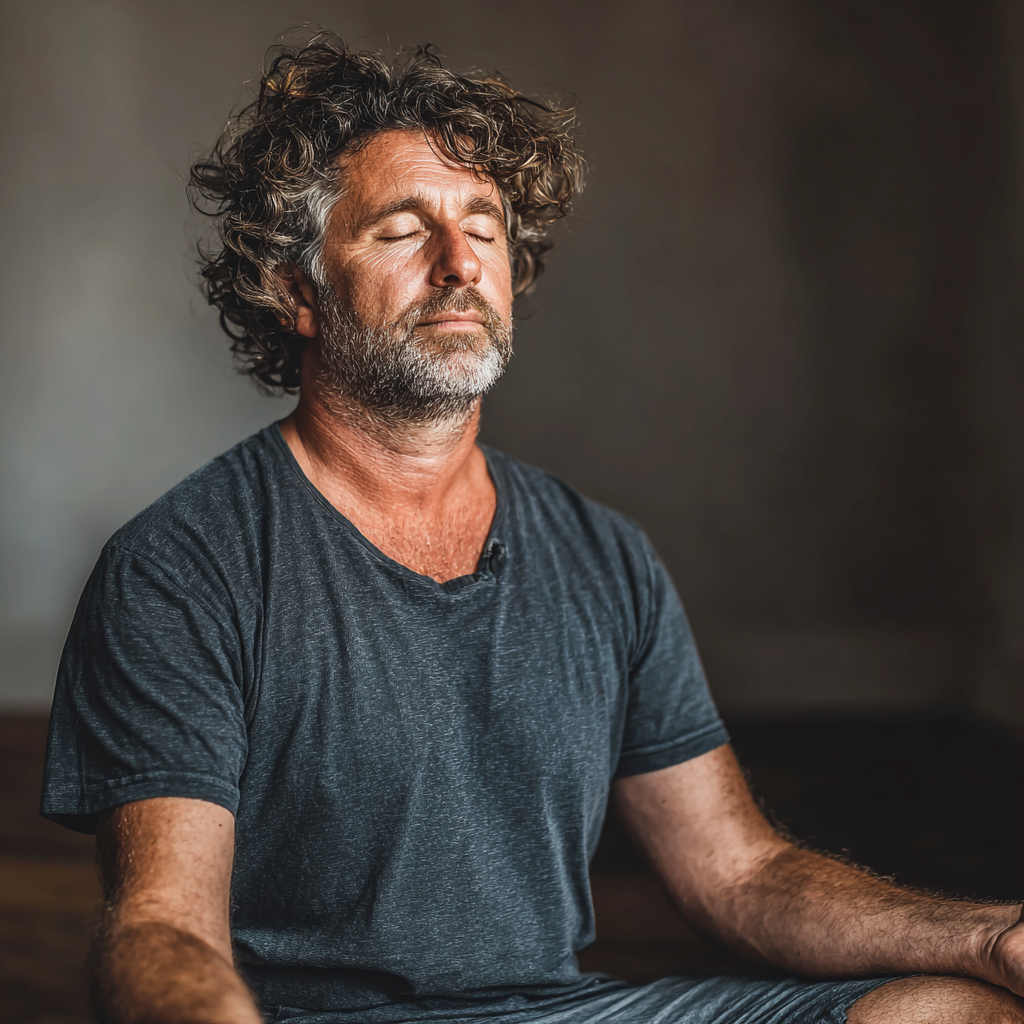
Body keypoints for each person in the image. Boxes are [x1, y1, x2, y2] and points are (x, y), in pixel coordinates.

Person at [41, 34, 1024, 1024]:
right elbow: (163, 926)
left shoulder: (602, 554)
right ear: (297, 290)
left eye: (485, 225)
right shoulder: (181, 567)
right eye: (399, 229)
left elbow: (737, 871)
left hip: (560, 1012)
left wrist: (988, 937)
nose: (459, 262)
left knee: (945, 1009)